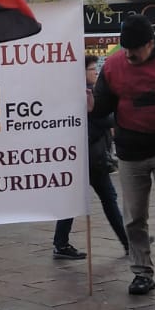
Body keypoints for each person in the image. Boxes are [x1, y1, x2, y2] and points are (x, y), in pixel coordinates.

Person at [91, 15, 155, 303]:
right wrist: (90, 105)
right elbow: (101, 106)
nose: (129, 55)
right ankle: (142, 273)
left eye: (134, 50)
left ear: (151, 43)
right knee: (134, 215)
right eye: (125, 49)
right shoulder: (113, 65)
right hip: (130, 151)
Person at [52, 53, 127, 261]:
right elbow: (106, 120)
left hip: (91, 159)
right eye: (92, 69)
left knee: (79, 201)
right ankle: (128, 242)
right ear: (81, 73)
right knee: (107, 200)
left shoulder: (90, 94)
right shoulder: (83, 97)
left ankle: (60, 243)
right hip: (90, 160)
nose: (96, 72)